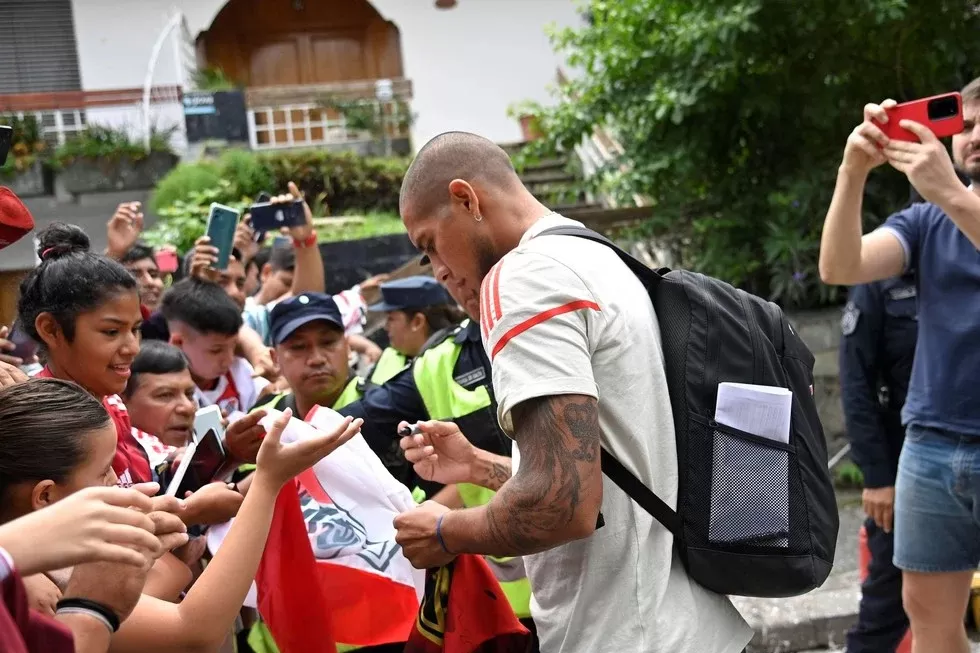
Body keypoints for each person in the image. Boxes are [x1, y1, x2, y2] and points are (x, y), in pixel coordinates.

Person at [391, 132, 751, 653]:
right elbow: (601, 476)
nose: (439, 270)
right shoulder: (598, 257)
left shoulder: (521, 280)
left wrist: (445, 532)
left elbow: (564, 505)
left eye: (429, 245)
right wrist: (477, 466)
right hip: (689, 624)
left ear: (466, 200)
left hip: (627, 637)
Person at [0, 374, 362, 653]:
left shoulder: (50, 554)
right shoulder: (35, 589)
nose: (117, 482)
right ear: (45, 496)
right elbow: (195, 630)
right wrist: (268, 482)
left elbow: (168, 573)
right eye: (104, 470)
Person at [818, 78, 980, 653]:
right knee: (928, 617)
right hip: (932, 444)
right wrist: (853, 171)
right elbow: (840, 266)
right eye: (967, 124)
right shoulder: (926, 221)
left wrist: (952, 195)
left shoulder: (945, 204)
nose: (974, 137)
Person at [840, 273, 917, 653]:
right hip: (911, 465)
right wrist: (876, 476)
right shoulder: (882, 276)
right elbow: (857, 385)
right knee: (890, 603)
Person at [160, 278, 270, 417]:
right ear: (178, 343)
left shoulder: (239, 372)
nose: (229, 359)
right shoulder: (162, 390)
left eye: (234, 346)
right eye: (216, 350)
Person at [365, 275, 463, 385]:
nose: (386, 326)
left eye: (391, 319)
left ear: (417, 322)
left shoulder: (460, 357)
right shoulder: (389, 357)